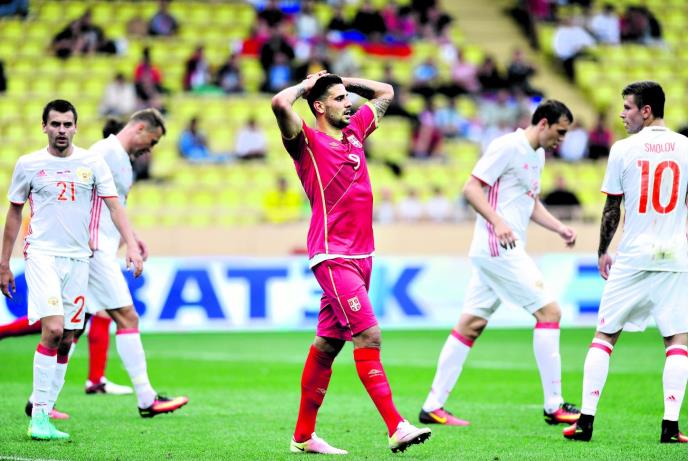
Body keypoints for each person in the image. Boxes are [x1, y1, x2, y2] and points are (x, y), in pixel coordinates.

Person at [272, 72, 431, 454]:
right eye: (339, 98)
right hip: (333, 256)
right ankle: (396, 426)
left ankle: (303, 437)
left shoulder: (356, 132)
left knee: (327, 345)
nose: (349, 103)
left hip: (362, 256)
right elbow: (279, 103)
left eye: (348, 97)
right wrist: (307, 85)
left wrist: (342, 80)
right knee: (368, 335)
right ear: (318, 106)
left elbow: (386, 91)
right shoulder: (306, 142)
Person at [420, 100, 581, 427]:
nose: (562, 139)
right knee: (550, 312)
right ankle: (554, 405)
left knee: (471, 325)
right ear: (544, 123)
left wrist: (559, 228)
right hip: (498, 248)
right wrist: (498, 222)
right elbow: (471, 188)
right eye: (560, 132)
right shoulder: (507, 146)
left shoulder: (537, 155)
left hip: (498, 250)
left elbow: (530, 202)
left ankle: (432, 407)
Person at [0, 100, 144, 441]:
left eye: (67, 124)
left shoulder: (91, 162)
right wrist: (4, 263)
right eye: (55, 124)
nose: (62, 130)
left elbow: (114, 206)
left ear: (76, 127)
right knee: (52, 329)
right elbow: (14, 213)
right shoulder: (29, 164)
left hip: (80, 259)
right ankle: (38, 419)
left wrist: (132, 244)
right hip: (42, 256)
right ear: (44, 127)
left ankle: (45, 409)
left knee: (67, 338)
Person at [563, 81, 688, 443]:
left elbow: (612, 208)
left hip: (633, 257)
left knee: (605, 336)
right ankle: (670, 427)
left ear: (646, 111)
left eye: (628, 107)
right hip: (673, 256)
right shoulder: (686, 147)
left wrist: (602, 250)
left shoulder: (622, 149)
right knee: (677, 341)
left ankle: (585, 422)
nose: (622, 114)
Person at [83, 109, 189, 418]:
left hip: (98, 248)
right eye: (152, 141)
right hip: (93, 250)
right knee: (127, 317)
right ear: (140, 127)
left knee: (66, 329)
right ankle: (146, 399)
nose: (150, 149)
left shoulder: (122, 161)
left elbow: (115, 208)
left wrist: (133, 237)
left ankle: (38, 403)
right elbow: (76, 193)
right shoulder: (104, 151)